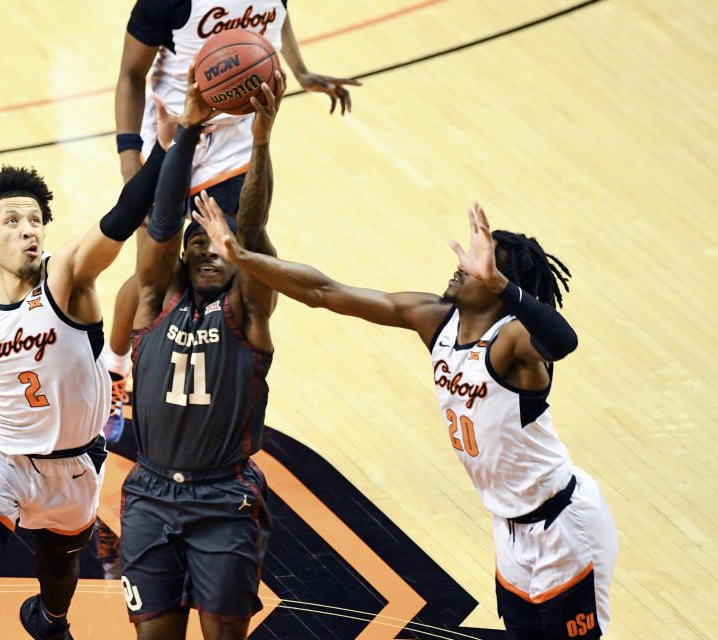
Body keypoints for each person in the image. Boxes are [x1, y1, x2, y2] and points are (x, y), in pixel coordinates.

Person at [192, 198, 620, 639]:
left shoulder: (512, 342)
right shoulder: (436, 319)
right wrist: (241, 257)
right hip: (510, 528)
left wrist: (501, 285)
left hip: (563, 524)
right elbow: (326, 292)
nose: (461, 266)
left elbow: (563, 341)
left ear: (498, 283)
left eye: (477, 266)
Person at [0, 102, 178, 640]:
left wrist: (164, 148)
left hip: (74, 467)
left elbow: (121, 218)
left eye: (36, 220)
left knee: (57, 588)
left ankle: (48, 621)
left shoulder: (67, 278)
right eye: (12, 221)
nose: (30, 230)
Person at [104, 0, 361, 435]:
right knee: (153, 271)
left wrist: (299, 71)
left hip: (235, 149)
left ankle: (218, 372)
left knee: (240, 261)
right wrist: (131, 161)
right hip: (174, 133)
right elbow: (131, 74)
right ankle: (113, 373)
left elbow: (277, 21)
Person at [116, 65, 283, 639]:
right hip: (150, 491)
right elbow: (160, 226)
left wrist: (260, 139)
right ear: (184, 256)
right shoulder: (152, 301)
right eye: (199, 244)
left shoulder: (248, 310)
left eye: (220, 246)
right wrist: (184, 131)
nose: (210, 253)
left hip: (224, 496)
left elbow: (255, 228)